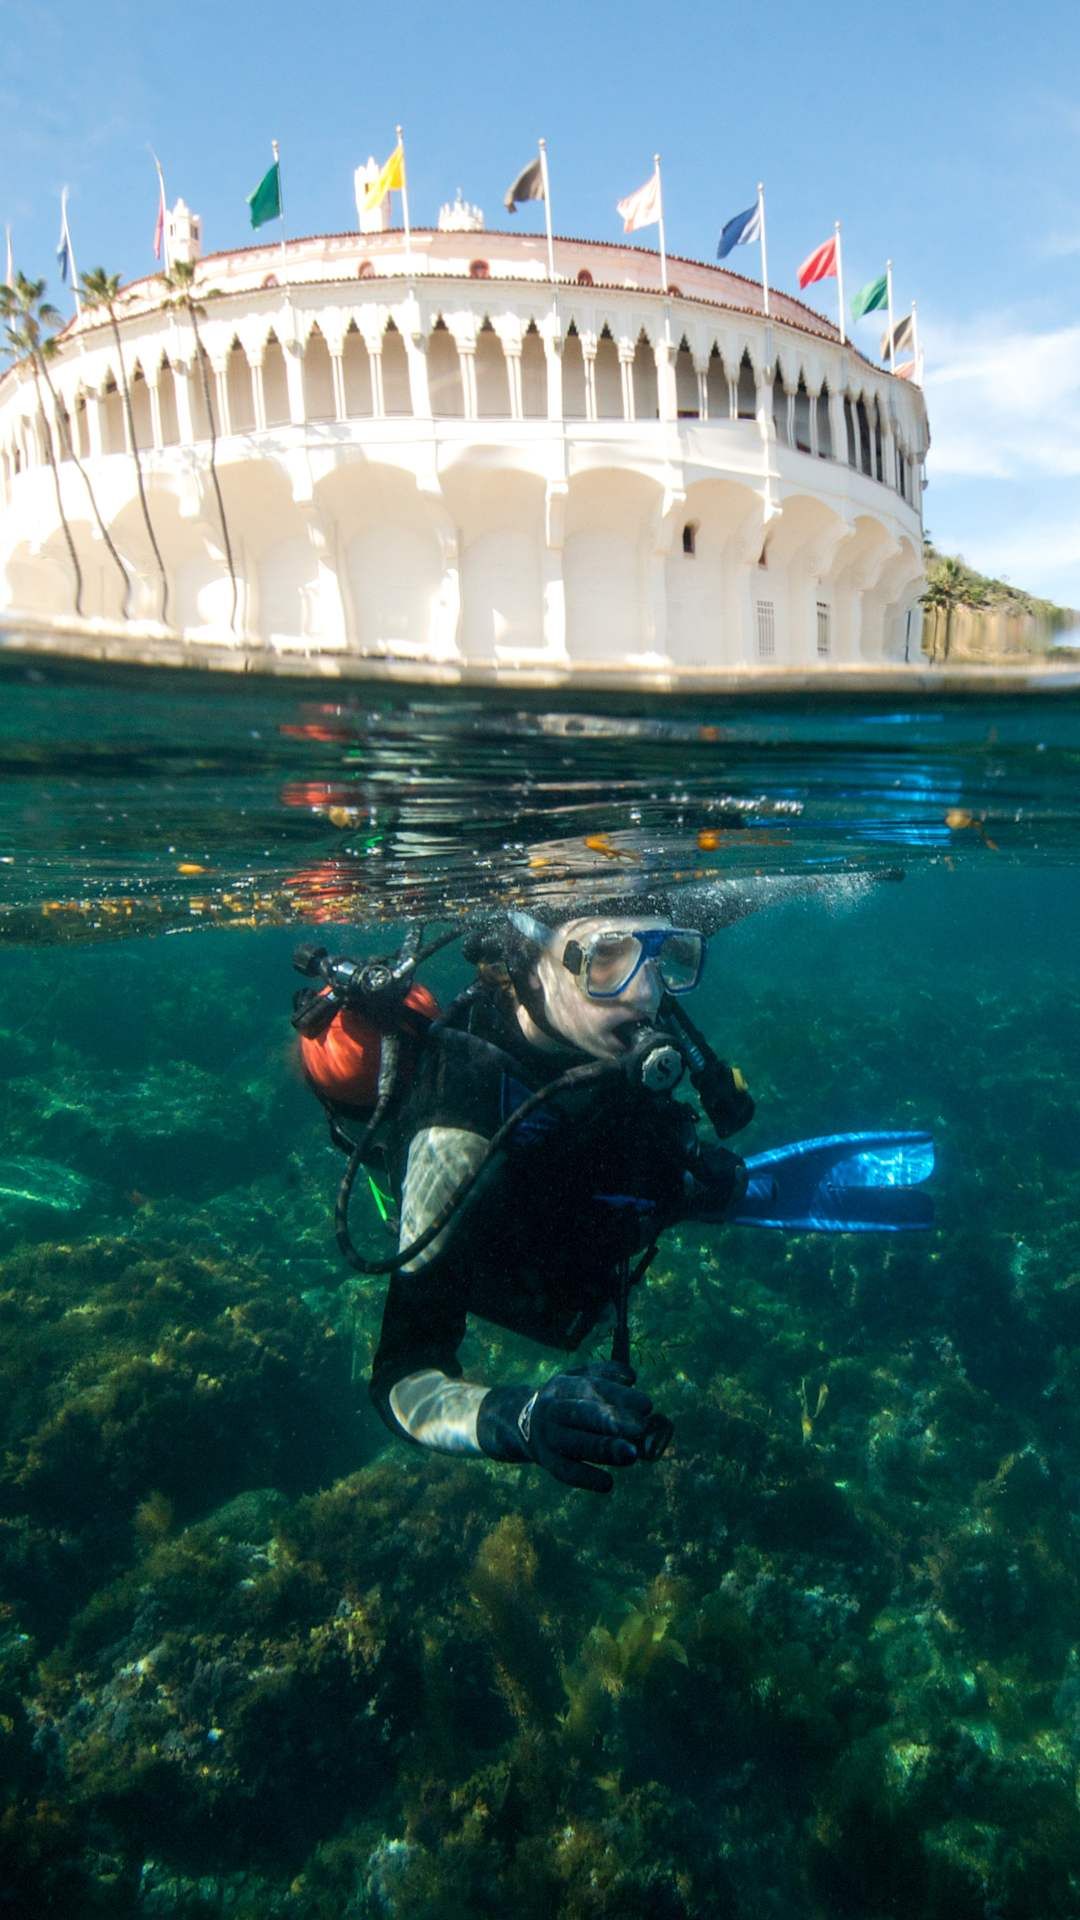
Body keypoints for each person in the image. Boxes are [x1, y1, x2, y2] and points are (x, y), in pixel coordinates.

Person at [368, 901, 755, 1494]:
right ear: (529, 963)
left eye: (661, 955)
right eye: (607, 956)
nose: (647, 993)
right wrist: (519, 1420)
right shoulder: (457, 1129)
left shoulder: (601, 1020)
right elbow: (402, 1380)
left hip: (591, 1187)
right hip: (518, 1250)